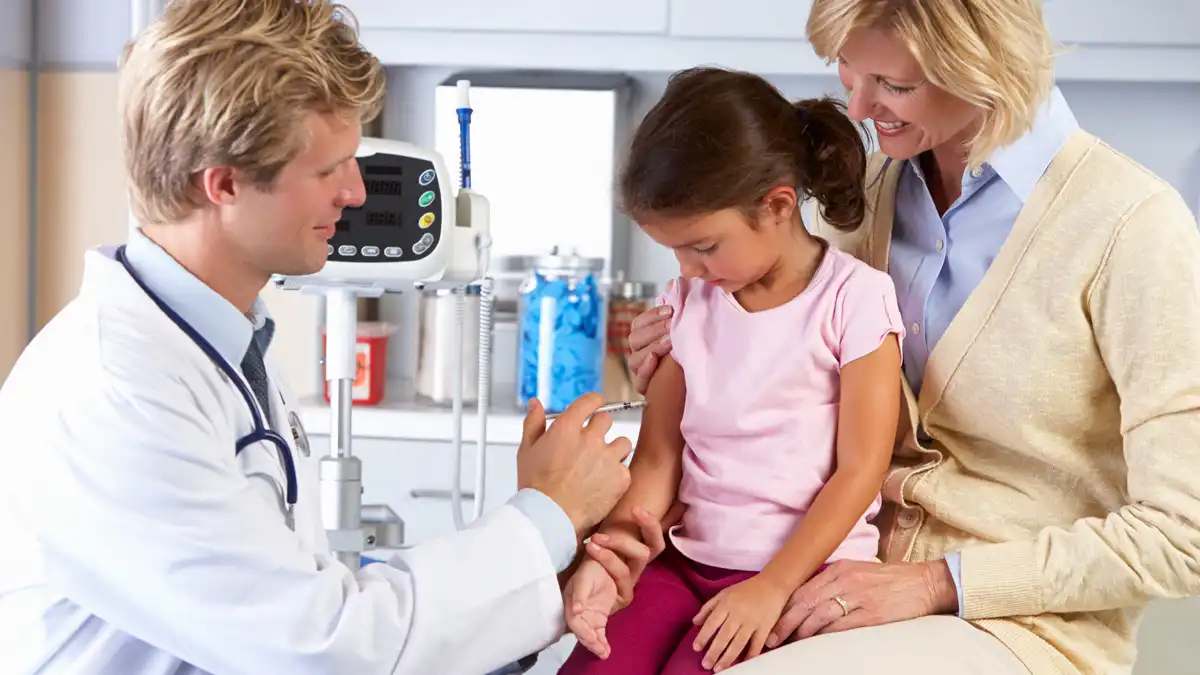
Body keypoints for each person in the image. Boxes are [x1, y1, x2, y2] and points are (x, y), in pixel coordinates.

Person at [0, 2, 656, 674]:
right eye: (328, 169)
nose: (354, 191)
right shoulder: (115, 394)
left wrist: (550, 558)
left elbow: (317, 596)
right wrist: (545, 516)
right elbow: (322, 645)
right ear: (223, 182)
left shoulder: (220, 350)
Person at [623, 1, 1200, 674]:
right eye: (847, 71)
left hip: (1014, 628)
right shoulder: (854, 199)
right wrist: (682, 370)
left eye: (896, 86)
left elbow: (1183, 533)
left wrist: (940, 580)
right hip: (815, 578)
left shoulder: (1131, 226)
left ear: (987, 65)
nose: (861, 110)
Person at [557, 67, 906, 675]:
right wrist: (606, 559)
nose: (689, 270)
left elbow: (860, 470)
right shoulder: (687, 303)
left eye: (704, 246)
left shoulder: (856, 299)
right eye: (676, 251)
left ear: (776, 204)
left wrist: (772, 588)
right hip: (685, 563)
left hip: (798, 574)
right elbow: (659, 461)